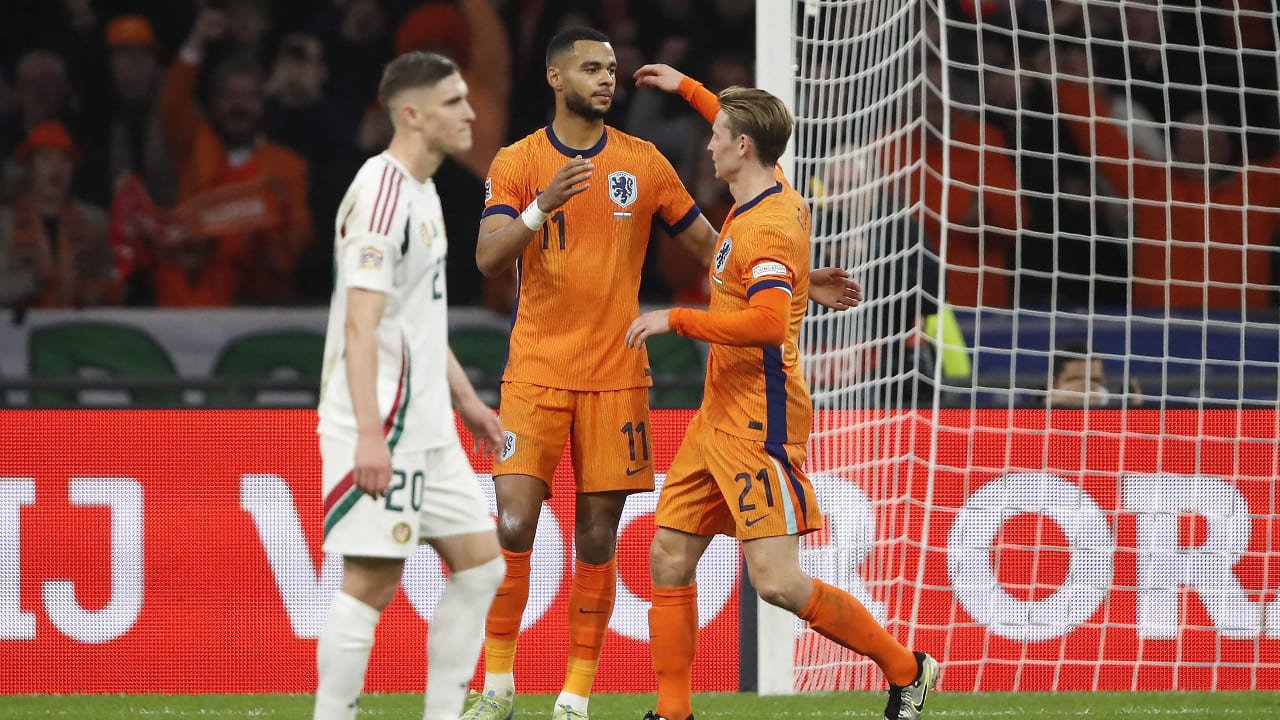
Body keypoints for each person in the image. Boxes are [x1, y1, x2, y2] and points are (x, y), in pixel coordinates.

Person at [468, 28, 858, 720]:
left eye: (611, 68)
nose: (605, 78)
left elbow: (714, 244)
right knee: (513, 521)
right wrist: (540, 205)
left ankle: (574, 697)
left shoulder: (643, 163)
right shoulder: (519, 161)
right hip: (533, 372)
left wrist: (790, 276)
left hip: (619, 376)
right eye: (590, 68)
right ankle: (496, 685)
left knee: (596, 537)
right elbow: (489, 258)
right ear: (556, 79)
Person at [624, 66, 938, 720]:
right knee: (668, 553)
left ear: (743, 148)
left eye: (716, 137)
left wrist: (674, 318)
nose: (707, 145)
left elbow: (767, 325)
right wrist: (686, 86)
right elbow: (744, 122)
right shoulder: (771, 189)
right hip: (718, 416)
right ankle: (673, 712)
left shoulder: (765, 227)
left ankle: (907, 669)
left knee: (776, 582)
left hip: (758, 425)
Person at [313, 51, 506, 720]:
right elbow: (362, 329)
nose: (471, 113)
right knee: (372, 580)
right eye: (454, 102)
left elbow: (415, 319)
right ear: (412, 114)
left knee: (482, 567)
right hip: (384, 425)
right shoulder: (383, 193)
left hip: (431, 426)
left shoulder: (424, 191)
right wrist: (369, 434)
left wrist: (467, 401)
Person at [158, 7, 313, 304]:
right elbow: (172, 108)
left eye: (247, 97)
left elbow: (300, 235)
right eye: (228, 96)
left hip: (260, 305)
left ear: (261, 104)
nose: (237, 106)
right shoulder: (193, 147)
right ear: (213, 103)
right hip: (193, 302)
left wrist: (277, 237)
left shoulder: (288, 167)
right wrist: (196, 43)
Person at [0, 121, 115, 310]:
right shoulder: (4, 224)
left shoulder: (96, 222)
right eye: (46, 158)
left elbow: (116, 282)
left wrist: (98, 290)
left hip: (80, 330)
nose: (56, 168)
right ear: (30, 167)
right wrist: (34, 280)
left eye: (65, 160)